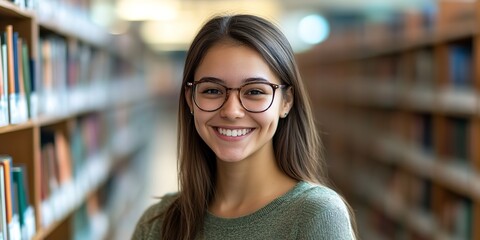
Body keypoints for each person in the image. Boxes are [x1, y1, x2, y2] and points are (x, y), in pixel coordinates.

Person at [132, 14, 357, 240]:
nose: (231, 111)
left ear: (286, 101)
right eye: (212, 90)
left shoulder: (317, 216)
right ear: (191, 99)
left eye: (255, 91)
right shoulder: (158, 222)